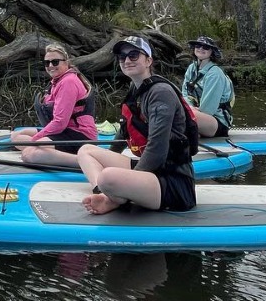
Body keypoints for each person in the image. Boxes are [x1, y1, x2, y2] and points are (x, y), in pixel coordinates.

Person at [78, 36, 196, 215]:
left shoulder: (160, 93)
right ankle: (107, 194)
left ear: (148, 60)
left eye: (134, 55)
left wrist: (127, 178)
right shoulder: (136, 90)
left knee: (107, 176)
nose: (126, 60)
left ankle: (112, 197)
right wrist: (110, 160)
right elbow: (123, 134)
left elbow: (157, 149)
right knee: (86, 151)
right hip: (151, 172)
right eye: (122, 57)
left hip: (173, 182)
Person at [11, 43, 98, 167]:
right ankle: (50, 150)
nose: (50, 66)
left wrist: (36, 140)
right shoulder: (58, 81)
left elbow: (60, 122)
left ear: (66, 62)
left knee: (29, 154)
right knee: (16, 136)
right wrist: (39, 138)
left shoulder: (68, 82)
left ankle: (84, 161)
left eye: (55, 62)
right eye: (47, 63)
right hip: (64, 130)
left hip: (80, 134)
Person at [181, 35, 235, 137]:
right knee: (176, 108)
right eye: (198, 45)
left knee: (177, 111)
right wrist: (191, 107)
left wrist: (190, 110)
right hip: (196, 114)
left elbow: (208, 109)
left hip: (216, 121)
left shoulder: (214, 73)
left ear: (212, 52)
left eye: (206, 47)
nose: (201, 48)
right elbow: (185, 93)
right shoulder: (191, 68)